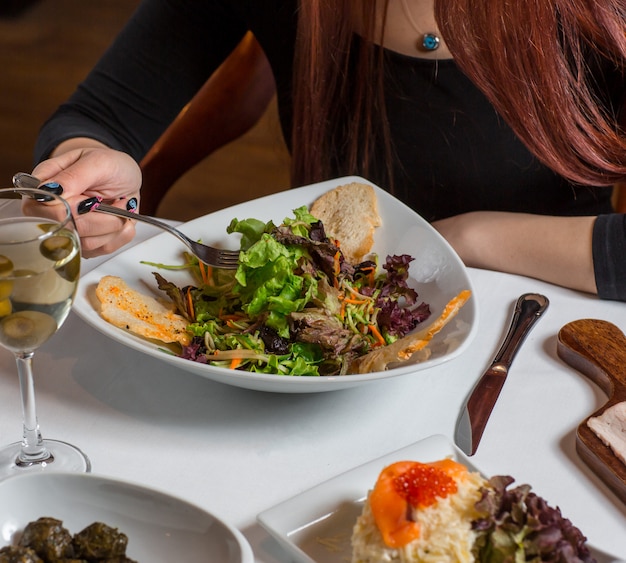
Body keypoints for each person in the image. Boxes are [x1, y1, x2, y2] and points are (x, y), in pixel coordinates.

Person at [24, 0, 626, 300]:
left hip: (541, 324)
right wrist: (93, 158)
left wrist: (470, 240)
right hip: (329, 335)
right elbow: (99, 115)